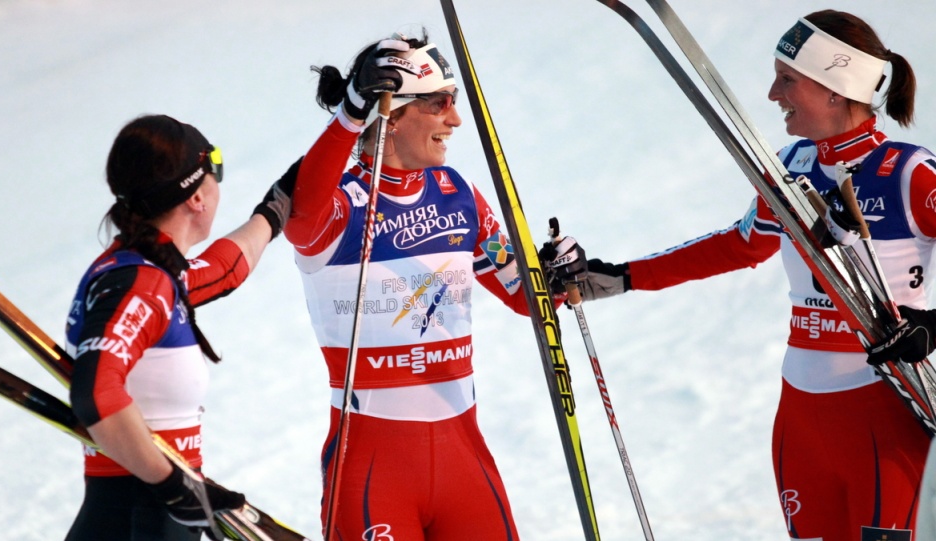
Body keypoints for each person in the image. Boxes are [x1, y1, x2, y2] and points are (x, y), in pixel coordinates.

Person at [543, 10, 936, 541]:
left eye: (788, 78)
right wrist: (620, 277)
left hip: (886, 412)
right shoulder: (791, 164)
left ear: (836, 89)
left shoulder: (910, 171)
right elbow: (739, 245)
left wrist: (931, 325)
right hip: (802, 417)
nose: (773, 93)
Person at [283, 31, 544, 540]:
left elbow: (529, 296)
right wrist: (349, 117)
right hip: (373, 470)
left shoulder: (460, 195)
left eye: (454, 101)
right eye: (439, 103)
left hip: (463, 457)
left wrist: (560, 271)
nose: (454, 119)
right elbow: (301, 218)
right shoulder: (337, 204)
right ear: (393, 114)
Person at [65, 114, 296, 540]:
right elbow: (94, 392)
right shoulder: (140, 283)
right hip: (140, 519)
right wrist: (174, 485)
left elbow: (224, 269)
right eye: (217, 168)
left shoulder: (145, 272)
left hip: (141, 516)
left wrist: (276, 208)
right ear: (196, 197)